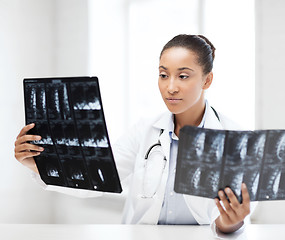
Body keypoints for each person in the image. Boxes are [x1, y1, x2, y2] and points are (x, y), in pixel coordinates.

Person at [14, 34, 253, 234]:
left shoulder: (235, 138)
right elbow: (97, 178)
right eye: (163, 75)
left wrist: (229, 224)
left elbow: (232, 219)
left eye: (183, 76)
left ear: (207, 80)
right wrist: (39, 164)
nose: (170, 87)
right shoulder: (144, 131)